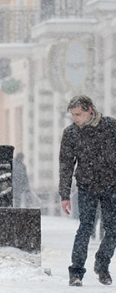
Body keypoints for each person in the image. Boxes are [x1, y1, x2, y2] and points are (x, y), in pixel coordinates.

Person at [59, 95, 116, 287]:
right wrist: (64, 195)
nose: (75, 118)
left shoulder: (110, 127)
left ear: (89, 110)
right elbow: (66, 165)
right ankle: (76, 272)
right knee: (85, 228)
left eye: (78, 114)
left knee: (114, 229)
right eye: (73, 115)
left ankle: (102, 265)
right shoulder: (71, 133)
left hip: (111, 185)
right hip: (86, 186)